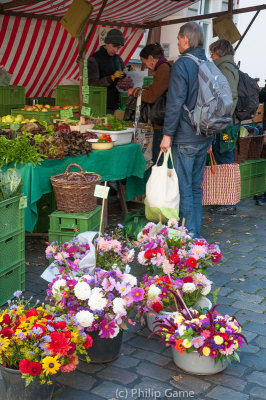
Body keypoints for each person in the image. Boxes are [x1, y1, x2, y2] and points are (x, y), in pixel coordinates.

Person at [160, 22, 212, 238]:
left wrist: (167, 134)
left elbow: (175, 102)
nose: (178, 42)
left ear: (187, 40)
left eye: (180, 38)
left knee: (184, 189)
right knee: (195, 188)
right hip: (204, 136)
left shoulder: (183, 64)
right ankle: (195, 234)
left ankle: (188, 237)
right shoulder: (207, 63)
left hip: (185, 135)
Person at [209, 39, 240, 215]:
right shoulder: (228, 66)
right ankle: (226, 200)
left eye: (212, 53)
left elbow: (231, 97)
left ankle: (228, 203)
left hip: (225, 124)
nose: (211, 56)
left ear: (219, 53)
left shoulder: (224, 68)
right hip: (226, 122)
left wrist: (221, 119)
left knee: (225, 160)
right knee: (223, 158)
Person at [128, 43, 171, 164]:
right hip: (163, 123)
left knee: (159, 161)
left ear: (151, 58)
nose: (145, 65)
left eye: (144, 61)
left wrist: (136, 92)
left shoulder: (163, 68)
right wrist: (144, 89)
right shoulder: (164, 67)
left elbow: (152, 97)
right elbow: (157, 88)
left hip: (162, 123)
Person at [87, 29, 126, 114]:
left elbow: (122, 77)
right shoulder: (94, 59)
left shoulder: (118, 59)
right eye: (114, 46)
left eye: (118, 48)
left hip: (115, 104)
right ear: (107, 43)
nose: (116, 50)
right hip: (99, 104)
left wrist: (127, 72)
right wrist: (111, 78)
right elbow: (92, 84)